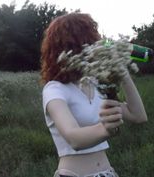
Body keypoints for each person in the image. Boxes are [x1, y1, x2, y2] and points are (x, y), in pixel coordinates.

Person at [40, 13, 147, 177]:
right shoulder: (54, 89)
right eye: (89, 40)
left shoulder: (95, 83)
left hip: (107, 173)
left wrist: (121, 70)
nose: (95, 45)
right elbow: (74, 138)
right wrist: (106, 128)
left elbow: (138, 116)